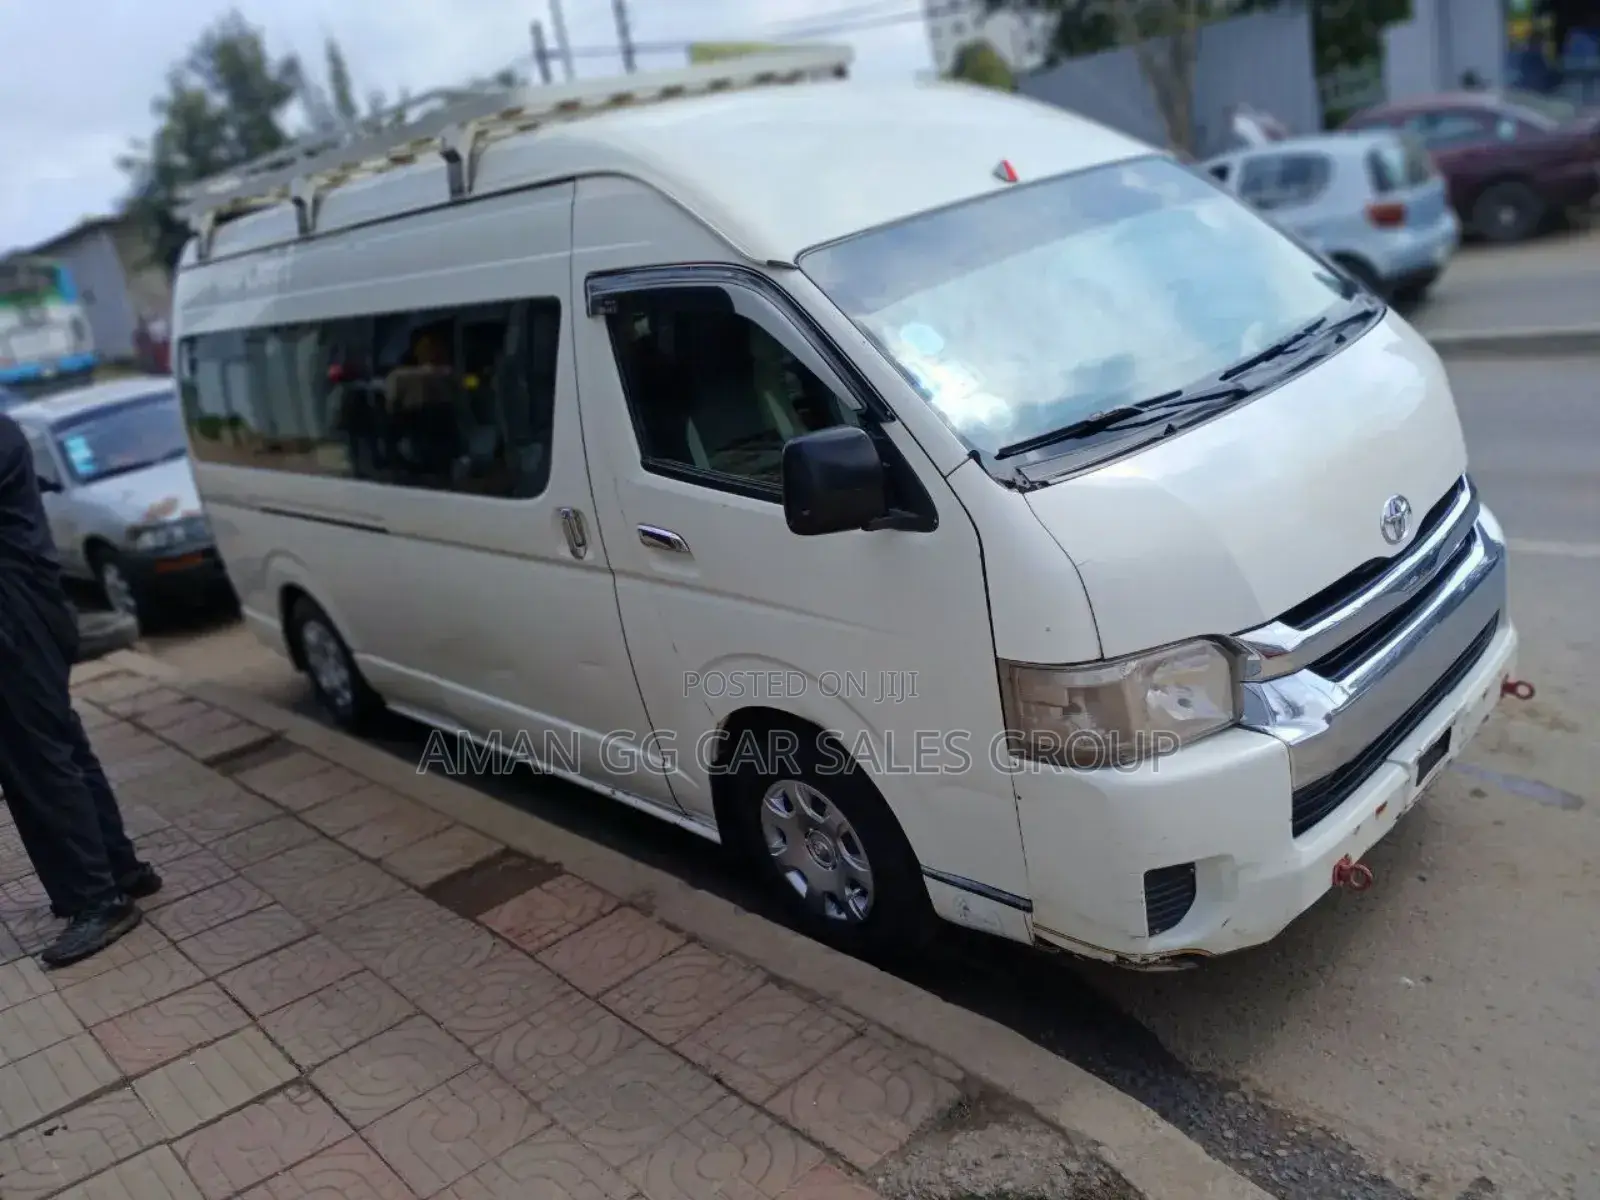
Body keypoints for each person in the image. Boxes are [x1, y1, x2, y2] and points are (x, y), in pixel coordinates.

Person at [0, 413, 160, 968]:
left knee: (38, 764)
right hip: (29, 614)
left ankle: (98, 899)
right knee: (59, 747)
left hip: (15, 621)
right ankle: (119, 870)